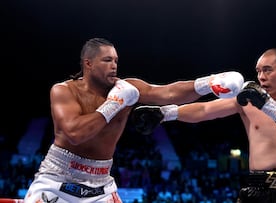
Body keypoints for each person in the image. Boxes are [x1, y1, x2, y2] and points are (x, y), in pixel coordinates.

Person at [23, 37, 244, 203]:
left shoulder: (128, 87)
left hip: (100, 184)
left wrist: (209, 82)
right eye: (107, 60)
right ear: (87, 63)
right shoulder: (64, 91)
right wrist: (114, 104)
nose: (114, 65)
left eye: (116, 60)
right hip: (57, 178)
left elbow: (168, 93)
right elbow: (75, 133)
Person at [131, 48, 276, 203]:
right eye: (259, 71)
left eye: (268, 70)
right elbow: (205, 110)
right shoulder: (247, 101)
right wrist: (163, 113)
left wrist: (267, 105)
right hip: (257, 188)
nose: (261, 77)